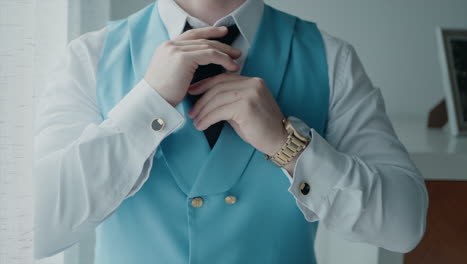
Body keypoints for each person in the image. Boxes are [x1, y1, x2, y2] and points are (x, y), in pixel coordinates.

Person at [33, 0, 428, 263]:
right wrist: (149, 105)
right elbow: (37, 227)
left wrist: (286, 143)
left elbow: (403, 225)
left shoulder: (331, 58)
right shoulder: (89, 57)